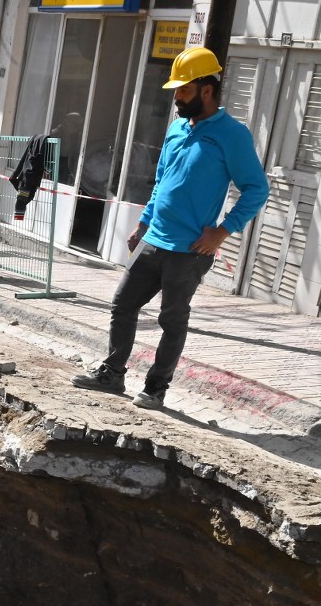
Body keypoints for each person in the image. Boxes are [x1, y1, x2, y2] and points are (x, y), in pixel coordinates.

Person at [73, 46, 269, 410]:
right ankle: (113, 374)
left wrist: (224, 231)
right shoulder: (177, 128)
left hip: (190, 250)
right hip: (154, 240)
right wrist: (144, 222)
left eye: (183, 90)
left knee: (171, 319)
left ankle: (156, 387)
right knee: (123, 304)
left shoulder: (232, 135)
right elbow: (162, 181)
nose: (176, 97)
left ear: (206, 90)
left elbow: (257, 189)